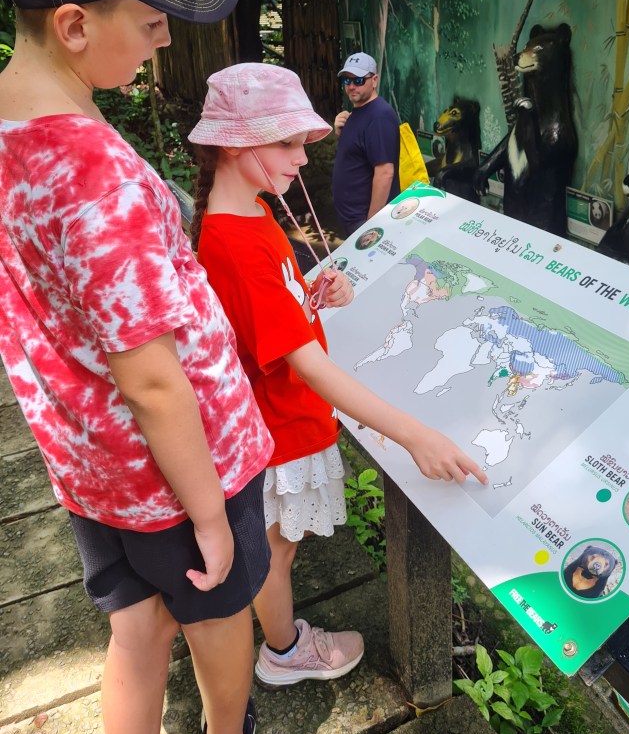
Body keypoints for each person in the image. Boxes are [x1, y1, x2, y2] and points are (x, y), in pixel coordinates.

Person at [0, 0, 274, 734]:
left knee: (135, 629)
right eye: (153, 22)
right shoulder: (94, 173)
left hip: (87, 461)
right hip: (180, 469)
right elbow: (153, 380)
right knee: (216, 609)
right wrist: (212, 517)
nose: (165, 41)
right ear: (74, 25)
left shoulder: (13, 126)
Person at [188, 63, 489, 686]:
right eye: (287, 143)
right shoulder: (235, 243)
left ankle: (280, 639)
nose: (303, 158)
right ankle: (283, 650)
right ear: (234, 144)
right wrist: (415, 435)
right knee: (275, 553)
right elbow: (308, 366)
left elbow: (275, 309)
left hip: (285, 418)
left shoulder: (253, 214)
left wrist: (313, 291)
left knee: (279, 546)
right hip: (281, 427)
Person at [331, 52, 400, 236]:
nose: (352, 86)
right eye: (347, 80)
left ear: (374, 80)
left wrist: (372, 224)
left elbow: (385, 172)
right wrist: (341, 131)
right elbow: (358, 154)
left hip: (364, 221)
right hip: (352, 217)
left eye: (359, 80)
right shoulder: (358, 112)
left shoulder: (379, 116)